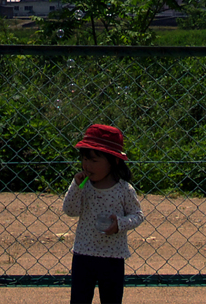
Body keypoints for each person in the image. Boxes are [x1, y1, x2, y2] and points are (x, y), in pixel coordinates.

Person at [62, 124, 144, 304]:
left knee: (111, 299)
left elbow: (138, 215)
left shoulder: (124, 189)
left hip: (113, 257)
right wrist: (75, 186)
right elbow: (70, 210)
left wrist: (120, 224)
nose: (87, 165)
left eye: (94, 160)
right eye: (84, 159)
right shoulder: (83, 186)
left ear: (113, 161)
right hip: (83, 255)